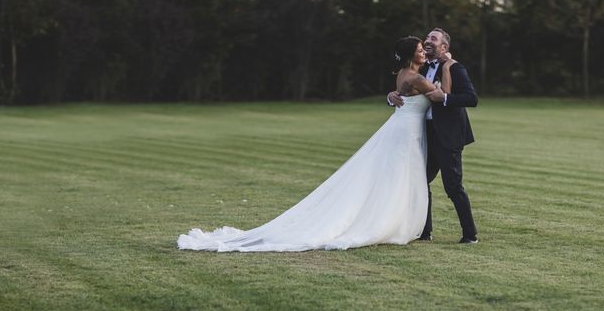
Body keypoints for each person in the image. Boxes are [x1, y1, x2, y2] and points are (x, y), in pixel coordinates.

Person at [178, 36, 443, 252]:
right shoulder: (415, 77)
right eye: (420, 50)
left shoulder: (405, 75)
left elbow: (404, 95)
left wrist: (392, 95)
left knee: (396, 177)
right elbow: (439, 95)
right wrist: (447, 73)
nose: (423, 53)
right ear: (411, 55)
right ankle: (390, 223)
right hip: (405, 132)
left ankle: (396, 221)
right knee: (398, 177)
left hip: (402, 128)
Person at [388, 28, 479, 244]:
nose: (428, 41)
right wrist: (391, 97)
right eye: (427, 38)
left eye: (433, 39)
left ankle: (470, 235)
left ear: (444, 47)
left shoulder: (455, 68)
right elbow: (405, 90)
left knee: (453, 186)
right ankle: (425, 231)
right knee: (421, 181)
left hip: (448, 136)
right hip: (425, 135)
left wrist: (446, 99)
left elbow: (471, 98)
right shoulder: (422, 67)